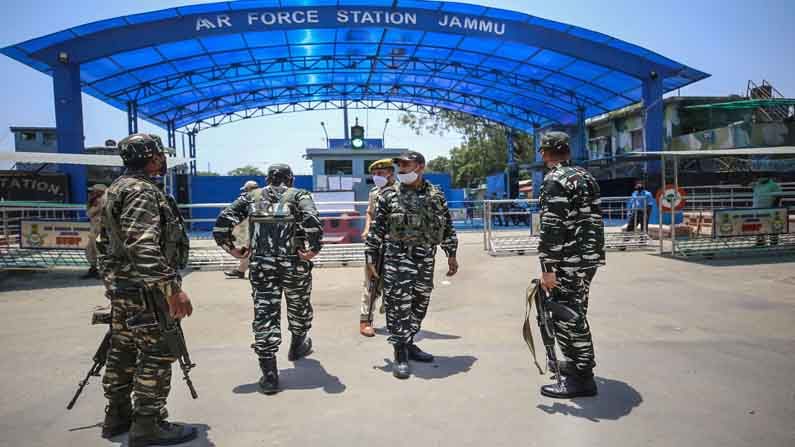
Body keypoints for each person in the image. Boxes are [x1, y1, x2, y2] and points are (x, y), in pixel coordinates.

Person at [96, 133, 197, 445]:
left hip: (124, 287)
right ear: (152, 157)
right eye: (160, 154)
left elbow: (105, 244)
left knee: (123, 348)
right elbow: (142, 245)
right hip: (145, 290)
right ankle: (148, 424)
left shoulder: (117, 188)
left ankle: (117, 416)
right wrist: (171, 288)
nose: (162, 159)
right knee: (158, 351)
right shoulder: (142, 192)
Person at [213, 164, 323, 395]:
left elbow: (223, 222)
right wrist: (313, 248)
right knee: (299, 305)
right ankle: (297, 346)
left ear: (267, 179)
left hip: (262, 265)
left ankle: (270, 374)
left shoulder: (250, 196)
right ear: (290, 179)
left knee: (265, 313)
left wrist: (232, 249)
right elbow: (312, 219)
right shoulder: (300, 195)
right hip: (295, 263)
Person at [365, 151, 459, 380]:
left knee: (420, 301)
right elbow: (376, 229)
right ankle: (400, 353)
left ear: (420, 167)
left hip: (426, 257)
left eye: (407, 165)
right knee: (398, 305)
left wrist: (451, 253)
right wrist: (370, 258)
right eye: (400, 166)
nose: (402, 169)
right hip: (397, 257)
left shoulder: (436, 195)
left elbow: (446, 224)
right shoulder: (389, 195)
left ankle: (409, 342)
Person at [537, 131, 605, 398]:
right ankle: (576, 365)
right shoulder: (585, 176)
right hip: (588, 258)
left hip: (568, 260)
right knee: (574, 310)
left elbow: (552, 227)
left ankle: (583, 377)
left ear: (545, 152)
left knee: (569, 316)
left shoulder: (555, 180)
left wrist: (547, 267)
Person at [359, 159, 396, 337]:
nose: (376, 177)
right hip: (375, 242)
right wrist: (366, 228)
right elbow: (369, 212)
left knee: (394, 282)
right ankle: (365, 320)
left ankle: (394, 319)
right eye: (374, 174)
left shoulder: (400, 192)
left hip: (394, 244)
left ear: (390, 173)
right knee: (371, 282)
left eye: (380, 173)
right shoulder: (374, 192)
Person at [224, 180, 260, 279]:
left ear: (249, 189)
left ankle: (241, 270)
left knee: (249, 250)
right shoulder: (261, 197)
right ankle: (241, 270)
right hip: (256, 228)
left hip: (256, 229)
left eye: (246, 189)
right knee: (248, 249)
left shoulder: (249, 199)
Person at [83, 184, 107, 279]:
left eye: (94, 191)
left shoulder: (103, 201)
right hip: (94, 230)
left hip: (102, 230)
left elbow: (89, 213)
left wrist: (93, 202)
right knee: (90, 250)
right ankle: (93, 269)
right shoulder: (95, 201)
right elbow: (89, 213)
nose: (92, 193)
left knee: (100, 251)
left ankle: (103, 271)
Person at [753, 176, 783, 246]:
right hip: (757, 209)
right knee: (759, 226)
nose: (759, 178)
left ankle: (774, 242)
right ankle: (760, 242)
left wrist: (774, 207)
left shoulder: (773, 185)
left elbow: (779, 196)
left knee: (772, 226)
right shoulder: (757, 184)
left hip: (770, 210)